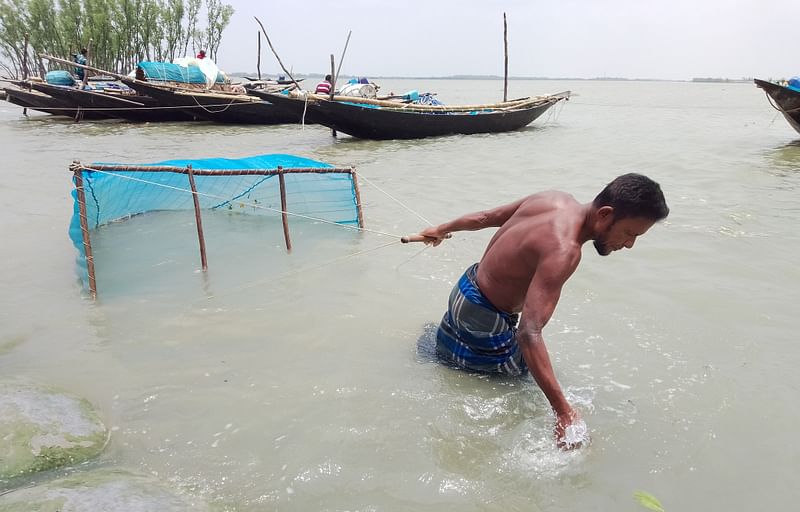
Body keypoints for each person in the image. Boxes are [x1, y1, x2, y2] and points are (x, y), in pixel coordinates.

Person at [415, 173, 669, 449]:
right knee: (519, 385)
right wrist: (564, 412)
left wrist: (442, 228)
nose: (629, 244)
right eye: (630, 233)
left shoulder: (554, 199)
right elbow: (529, 332)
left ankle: (444, 353)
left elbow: (486, 217)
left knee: (498, 365)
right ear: (606, 215)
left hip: (465, 289)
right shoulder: (565, 251)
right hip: (484, 315)